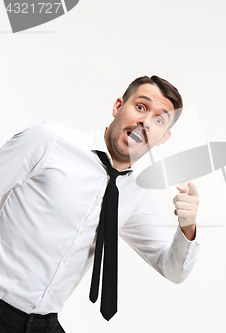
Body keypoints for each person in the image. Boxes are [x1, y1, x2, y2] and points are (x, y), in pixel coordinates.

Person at [0, 75, 200, 332]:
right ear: (118, 106)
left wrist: (188, 227)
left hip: (43, 323)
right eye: (140, 107)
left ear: (163, 138)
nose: (145, 121)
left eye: (159, 119)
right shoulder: (49, 141)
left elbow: (173, 270)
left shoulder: (136, 195)